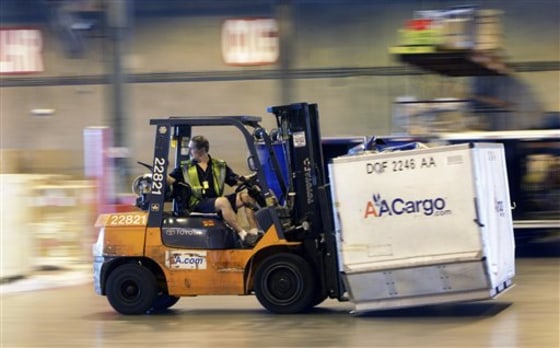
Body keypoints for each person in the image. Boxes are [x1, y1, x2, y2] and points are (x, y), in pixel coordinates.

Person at [167, 135, 262, 247]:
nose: (190, 151)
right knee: (223, 202)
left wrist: (251, 178)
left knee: (247, 196)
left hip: (215, 201)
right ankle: (243, 234)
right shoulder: (185, 167)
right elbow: (171, 180)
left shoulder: (219, 165)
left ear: (200, 150)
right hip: (197, 203)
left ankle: (254, 231)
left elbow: (234, 180)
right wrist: (161, 171)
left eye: (191, 148)